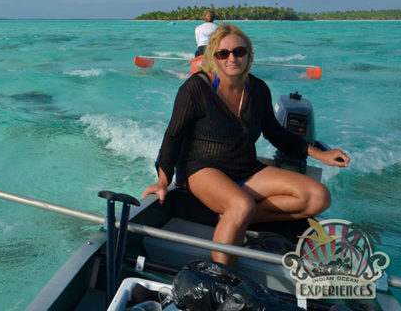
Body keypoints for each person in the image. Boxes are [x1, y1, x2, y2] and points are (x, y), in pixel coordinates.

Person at [142, 23, 350, 266]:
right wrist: (163, 181)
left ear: (249, 55)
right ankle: (220, 277)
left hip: (246, 168)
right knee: (241, 204)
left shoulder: (258, 89)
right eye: (223, 53)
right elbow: (173, 136)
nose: (232, 58)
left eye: (239, 52)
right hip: (202, 168)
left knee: (318, 197)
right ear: (213, 57)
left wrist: (321, 155)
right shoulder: (195, 89)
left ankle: (237, 218)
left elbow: (274, 131)